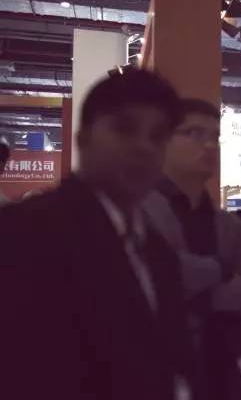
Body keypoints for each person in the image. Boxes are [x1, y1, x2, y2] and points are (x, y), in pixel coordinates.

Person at [0, 70, 198, 400]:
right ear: (83, 138)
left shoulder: (156, 248)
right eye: (125, 128)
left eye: (157, 136)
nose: (143, 147)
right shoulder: (25, 231)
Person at [142, 98, 241, 400]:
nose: (210, 145)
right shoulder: (137, 210)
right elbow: (158, 274)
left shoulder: (229, 225)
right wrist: (222, 269)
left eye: (215, 136)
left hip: (224, 371)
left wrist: (200, 301)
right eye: (193, 133)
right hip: (153, 370)